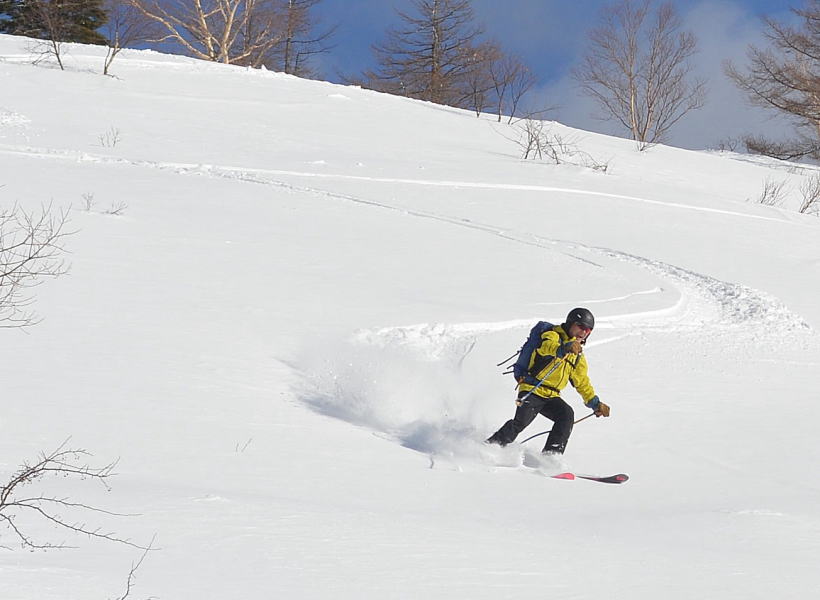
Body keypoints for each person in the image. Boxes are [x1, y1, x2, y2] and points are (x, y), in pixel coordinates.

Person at [486, 308, 610, 455]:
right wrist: (564, 348)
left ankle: (551, 455)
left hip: (552, 396)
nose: (584, 332)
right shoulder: (552, 335)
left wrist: (595, 403)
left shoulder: (577, 356)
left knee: (566, 415)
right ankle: (491, 446)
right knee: (520, 422)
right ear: (571, 323)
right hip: (532, 388)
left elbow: (582, 381)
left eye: (589, 330)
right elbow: (546, 348)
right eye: (581, 327)